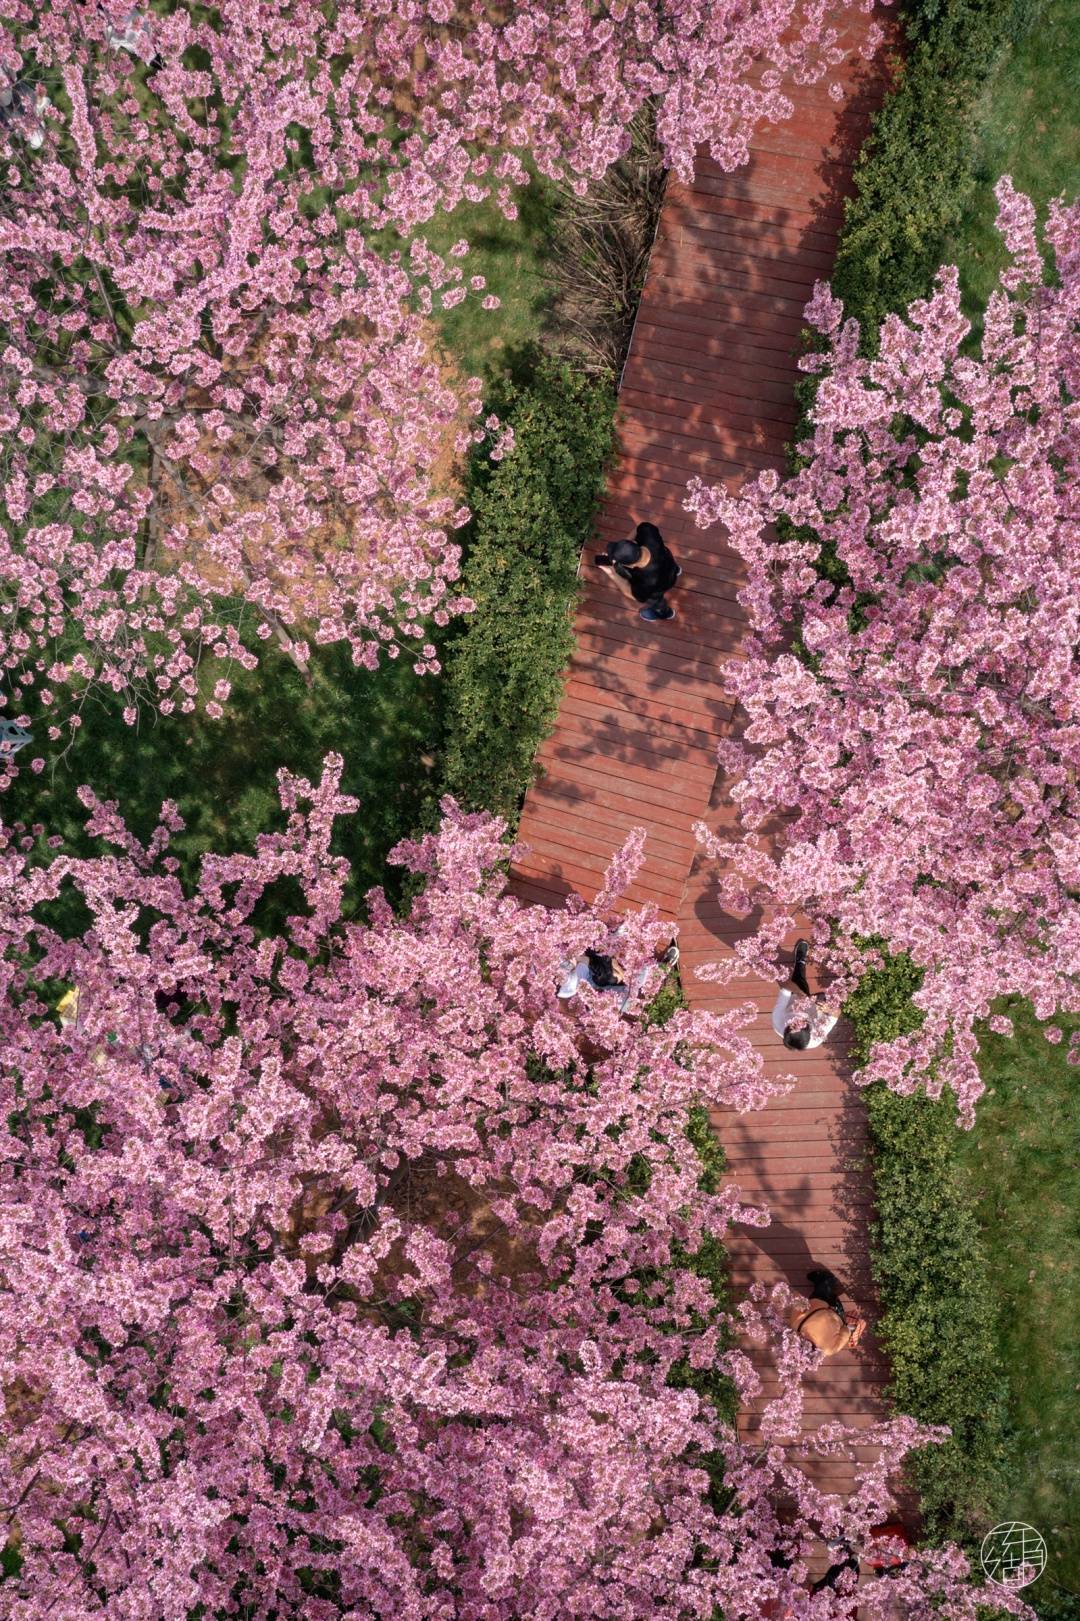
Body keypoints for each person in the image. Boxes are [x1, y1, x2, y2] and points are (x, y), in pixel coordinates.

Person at [558, 939, 679, 1013]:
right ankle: (656, 970)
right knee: (628, 1000)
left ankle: (654, 970)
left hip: (588, 959)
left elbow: (582, 957)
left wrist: (613, 964)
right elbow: (584, 961)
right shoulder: (570, 986)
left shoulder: (548, 964)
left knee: (619, 972)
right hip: (592, 981)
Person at [595, 520, 681, 622]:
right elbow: (639, 527)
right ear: (634, 543)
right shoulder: (648, 532)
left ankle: (665, 613)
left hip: (660, 586)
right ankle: (677, 570)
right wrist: (624, 547)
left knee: (655, 601)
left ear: (631, 565)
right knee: (671, 566)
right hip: (669, 563)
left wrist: (612, 573)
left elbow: (630, 592)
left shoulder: (646, 583)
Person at [772, 938, 840, 1050]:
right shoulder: (817, 1037)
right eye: (803, 1023)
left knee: (798, 979)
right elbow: (836, 1013)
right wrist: (829, 1009)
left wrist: (799, 992)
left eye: (794, 1024)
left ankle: (800, 960)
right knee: (832, 996)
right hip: (818, 1008)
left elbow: (785, 986)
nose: (799, 1019)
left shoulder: (778, 1020)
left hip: (796, 997)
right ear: (810, 1030)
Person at [786, 1266, 866, 1356]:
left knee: (829, 1303)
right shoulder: (795, 1326)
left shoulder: (828, 1350)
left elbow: (845, 1332)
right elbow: (799, 1304)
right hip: (820, 1302)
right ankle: (825, 1282)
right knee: (821, 1292)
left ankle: (827, 1285)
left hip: (837, 1312)